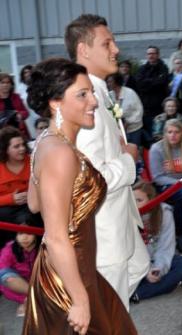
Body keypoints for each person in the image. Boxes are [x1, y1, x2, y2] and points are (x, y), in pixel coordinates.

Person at [23, 57, 137, 334]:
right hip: (70, 279)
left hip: (73, 269)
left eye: (91, 93)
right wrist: (80, 300)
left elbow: (33, 203)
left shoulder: (46, 143)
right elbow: (56, 235)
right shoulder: (60, 153)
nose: (94, 102)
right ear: (55, 102)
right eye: (82, 95)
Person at [66, 14, 150, 310]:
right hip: (103, 229)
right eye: (107, 43)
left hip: (120, 216)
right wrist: (129, 159)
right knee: (109, 311)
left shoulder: (100, 92)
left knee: (140, 266)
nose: (116, 49)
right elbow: (90, 178)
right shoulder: (83, 101)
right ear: (83, 49)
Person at [131, 181, 182, 301]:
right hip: (136, 262)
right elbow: (129, 253)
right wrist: (146, 270)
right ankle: (165, 286)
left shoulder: (164, 213)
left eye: (139, 200)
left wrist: (158, 269)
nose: (134, 205)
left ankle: (138, 292)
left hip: (159, 257)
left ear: (151, 201)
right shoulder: (126, 214)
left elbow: (166, 247)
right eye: (132, 200)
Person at [149, 119, 182, 235]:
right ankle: (180, 231)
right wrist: (180, 184)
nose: (173, 135)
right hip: (166, 185)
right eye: (170, 132)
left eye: (177, 132)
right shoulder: (157, 148)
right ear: (165, 133)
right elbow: (158, 177)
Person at [0, 214, 40, 317]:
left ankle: (31, 299)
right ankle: (34, 297)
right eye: (20, 233)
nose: (25, 237)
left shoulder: (43, 247)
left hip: (40, 282)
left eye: (29, 233)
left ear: (36, 234)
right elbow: (2, 268)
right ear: (15, 235)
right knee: (4, 275)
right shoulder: (9, 249)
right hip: (20, 286)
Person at [0, 126, 31, 247]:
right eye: (16, 146)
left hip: (31, 207)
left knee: (28, 219)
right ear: (5, 149)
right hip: (5, 210)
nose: (22, 149)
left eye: (23, 144)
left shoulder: (33, 161)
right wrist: (11, 199)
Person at [135, 46, 170, 138]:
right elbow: (139, 84)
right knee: (148, 135)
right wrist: (154, 81)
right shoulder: (142, 69)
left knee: (159, 134)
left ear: (158, 55)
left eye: (153, 53)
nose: (151, 56)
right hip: (146, 108)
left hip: (159, 107)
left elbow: (161, 83)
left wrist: (147, 82)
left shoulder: (163, 68)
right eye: (149, 54)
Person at [107, 72, 144, 146]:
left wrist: (127, 122)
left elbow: (139, 111)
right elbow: (112, 112)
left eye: (110, 81)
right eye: (107, 82)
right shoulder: (110, 95)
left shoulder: (130, 93)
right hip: (119, 129)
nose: (108, 84)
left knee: (134, 149)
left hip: (134, 129)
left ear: (116, 81)